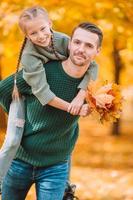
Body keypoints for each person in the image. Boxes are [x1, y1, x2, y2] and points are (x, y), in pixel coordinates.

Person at [0, 6, 99, 195]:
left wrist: (81, 95)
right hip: (21, 159)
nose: (41, 36)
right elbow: (15, 91)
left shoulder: (63, 41)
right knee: (12, 139)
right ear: (27, 36)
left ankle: (65, 188)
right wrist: (18, 110)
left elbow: (92, 65)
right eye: (34, 33)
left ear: (50, 25)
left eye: (43, 29)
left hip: (56, 164)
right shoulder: (30, 58)